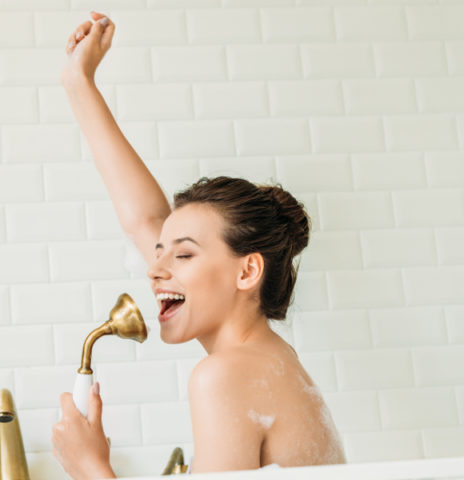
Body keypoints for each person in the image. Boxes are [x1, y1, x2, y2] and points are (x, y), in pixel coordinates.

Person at [50, 11, 347, 480]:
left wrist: (90, 468)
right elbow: (146, 218)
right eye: (161, 251)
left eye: (183, 254)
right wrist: (78, 82)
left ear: (247, 272)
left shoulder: (225, 375)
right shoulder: (268, 360)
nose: (155, 267)